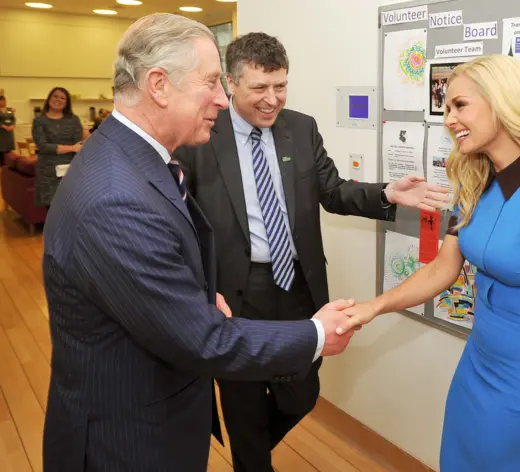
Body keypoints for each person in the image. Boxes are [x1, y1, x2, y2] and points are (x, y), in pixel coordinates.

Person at [42, 14, 357, 472]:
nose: (220, 99)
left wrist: (201, 295)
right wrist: (317, 333)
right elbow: (204, 341)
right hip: (129, 442)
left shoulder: (134, 160)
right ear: (159, 85)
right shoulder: (116, 199)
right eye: (211, 82)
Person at [172, 32, 450, 472]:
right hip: (235, 294)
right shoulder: (200, 136)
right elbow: (178, 220)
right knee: (243, 408)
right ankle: (252, 460)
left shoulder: (300, 128)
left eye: (280, 86)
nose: (272, 99)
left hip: (297, 287)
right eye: (259, 88)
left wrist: (388, 194)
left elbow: (334, 192)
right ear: (230, 82)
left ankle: (252, 452)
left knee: (301, 394)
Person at [336, 54, 520, 472]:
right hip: (477, 364)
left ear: (502, 102)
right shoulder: (475, 182)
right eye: (447, 108)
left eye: (460, 105)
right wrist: (373, 307)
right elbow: (442, 269)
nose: (449, 119)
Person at [32, 86, 84, 207]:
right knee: (51, 209)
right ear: (49, 99)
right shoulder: (39, 121)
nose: (58, 100)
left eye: (62, 98)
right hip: (47, 171)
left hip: (69, 169)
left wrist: (74, 148)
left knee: (70, 207)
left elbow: (78, 144)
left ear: (66, 103)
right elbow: (43, 146)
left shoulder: (74, 120)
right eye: (55, 96)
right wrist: (71, 148)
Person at [0, 95, 16, 163]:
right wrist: (4, 126)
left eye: (4, 100)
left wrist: (13, 125)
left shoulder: (9, 110)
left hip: (9, 135)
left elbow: (13, 118)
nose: (4, 102)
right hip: (1, 134)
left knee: (9, 154)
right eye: (2, 101)